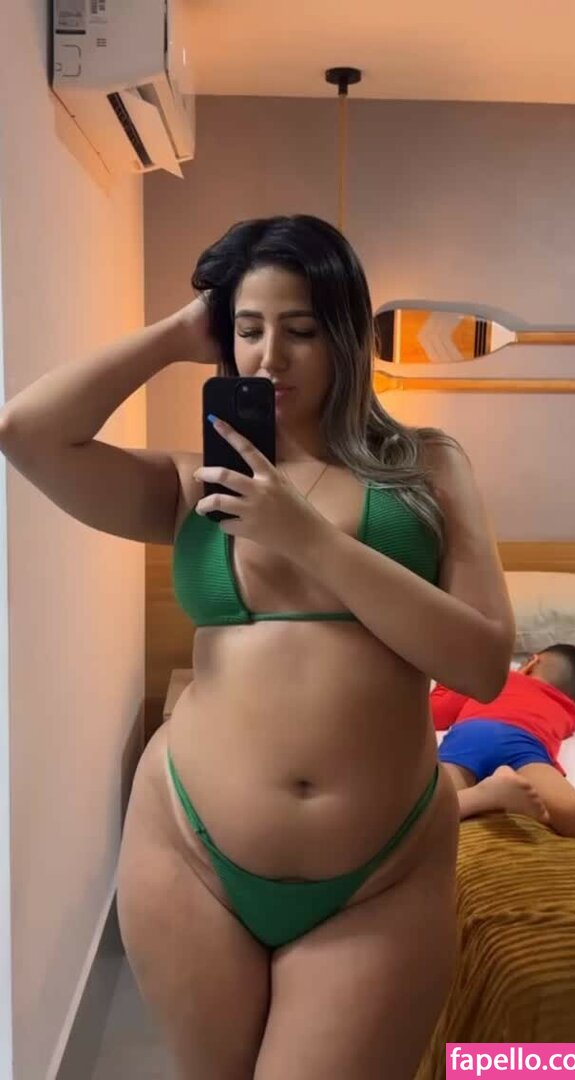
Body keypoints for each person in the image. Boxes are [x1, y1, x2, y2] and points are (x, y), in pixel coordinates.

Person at [0, 215, 515, 1080]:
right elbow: (27, 433)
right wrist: (177, 333)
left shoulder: (426, 467)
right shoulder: (193, 485)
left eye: (300, 329)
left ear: (346, 334)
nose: (269, 357)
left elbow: (484, 663)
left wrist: (304, 536)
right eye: (247, 330)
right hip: (188, 851)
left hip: (380, 875)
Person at [433, 643, 575, 838]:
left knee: (429, 811)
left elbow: (436, 714)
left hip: (469, 737)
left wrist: (450, 680)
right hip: (526, 747)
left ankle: (482, 796)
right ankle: (496, 794)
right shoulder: (570, 712)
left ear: (531, 663)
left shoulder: (496, 680)